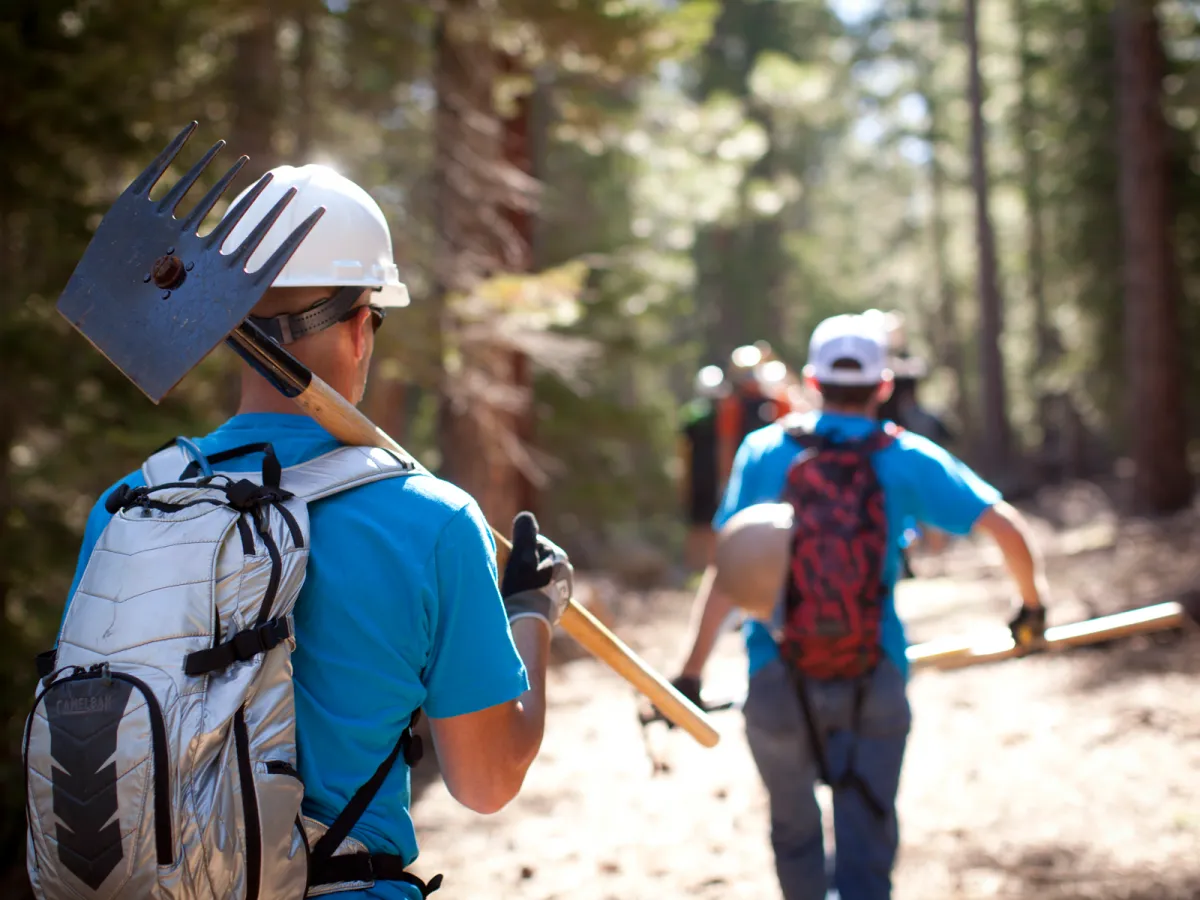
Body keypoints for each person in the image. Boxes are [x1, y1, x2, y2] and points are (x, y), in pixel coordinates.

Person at [55, 165, 571, 899]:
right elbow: (487, 781)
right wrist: (531, 616)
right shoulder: (429, 520)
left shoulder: (130, 503)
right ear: (363, 327)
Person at [669, 313, 1049, 900]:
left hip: (775, 676)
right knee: (866, 831)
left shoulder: (764, 450)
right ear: (884, 386)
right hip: (874, 671)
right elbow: (1005, 525)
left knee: (794, 833)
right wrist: (1031, 611)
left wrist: (691, 672)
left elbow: (728, 571)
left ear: (813, 383)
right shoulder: (906, 457)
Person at [679, 365, 728, 569]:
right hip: (713, 476)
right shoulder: (724, 413)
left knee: (698, 525)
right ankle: (709, 566)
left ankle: (695, 567)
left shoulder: (692, 413)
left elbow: (683, 449)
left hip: (698, 476)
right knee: (712, 524)